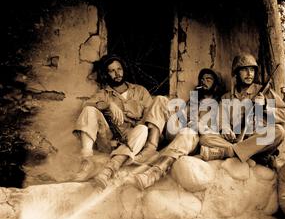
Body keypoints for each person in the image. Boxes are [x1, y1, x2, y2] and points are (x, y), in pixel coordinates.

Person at [123, 68, 223, 190]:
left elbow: (215, 131)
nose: (204, 82)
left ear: (216, 84)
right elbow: (183, 116)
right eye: (202, 79)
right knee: (161, 100)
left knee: (188, 132)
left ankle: (153, 174)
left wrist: (198, 125)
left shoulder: (220, 104)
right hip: (182, 129)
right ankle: (150, 147)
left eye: (208, 79)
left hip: (194, 138)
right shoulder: (195, 98)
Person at [199, 53, 285, 165]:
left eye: (252, 70)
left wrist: (265, 106)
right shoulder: (227, 97)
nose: (249, 74)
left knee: (278, 131)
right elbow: (221, 120)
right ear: (236, 73)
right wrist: (225, 129)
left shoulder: (265, 92)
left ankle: (229, 152)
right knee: (205, 138)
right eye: (244, 70)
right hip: (235, 140)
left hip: (257, 140)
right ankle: (246, 154)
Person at [73, 54, 152, 187]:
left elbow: (149, 116)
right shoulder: (104, 93)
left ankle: (112, 166)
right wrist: (108, 104)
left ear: (124, 69)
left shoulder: (140, 91)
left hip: (134, 138)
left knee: (143, 129)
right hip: (111, 140)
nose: (117, 73)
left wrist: (134, 131)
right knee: (89, 110)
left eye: (119, 69)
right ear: (106, 74)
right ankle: (86, 160)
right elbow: (86, 105)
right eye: (112, 71)